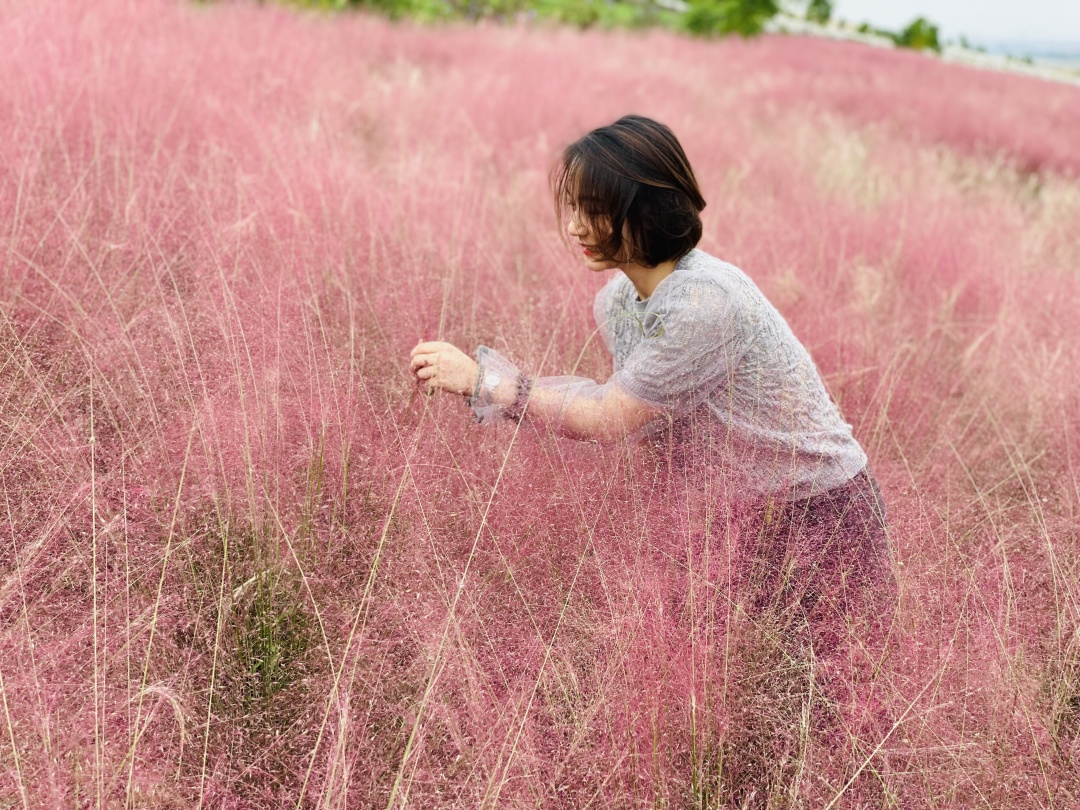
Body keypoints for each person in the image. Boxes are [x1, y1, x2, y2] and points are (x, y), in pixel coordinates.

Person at [409, 115, 897, 743]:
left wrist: (488, 385)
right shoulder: (616, 302)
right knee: (743, 704)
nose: (576, 227)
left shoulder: (705, 302)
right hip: (738, 519)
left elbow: (611, 419)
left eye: (596, 209)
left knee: (838, 710)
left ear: (650, 207)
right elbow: (638, 414)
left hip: (821, 514)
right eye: (573, 208)